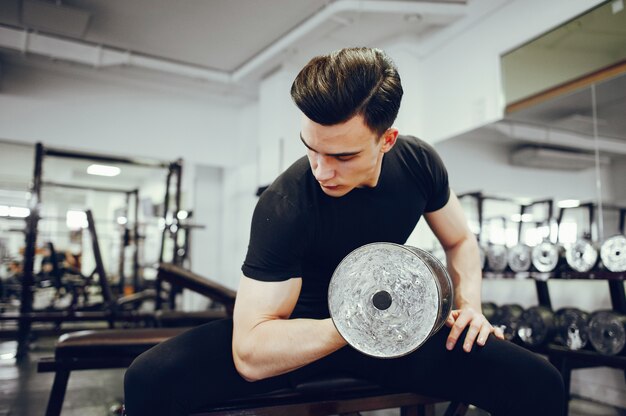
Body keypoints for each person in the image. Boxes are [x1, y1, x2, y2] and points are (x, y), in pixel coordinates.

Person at [124, 47, 564, 416]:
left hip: (394, 334)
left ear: (386, 140)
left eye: (343, 156)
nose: (321, 170)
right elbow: (251, 351)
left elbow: (460, 240)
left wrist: (470, 306)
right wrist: (359, 323)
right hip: (298, 334)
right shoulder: (286, 202)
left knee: (537, 382)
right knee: (150, 379)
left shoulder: (418, 164)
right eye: (311, 149)